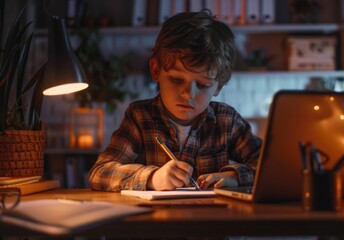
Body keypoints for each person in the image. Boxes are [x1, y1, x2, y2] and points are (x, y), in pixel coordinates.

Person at [88, 9, 262, 191]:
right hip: (156, 218)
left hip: (212, 217)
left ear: (219, 85)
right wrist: (152, 177)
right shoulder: (140, 117)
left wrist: (235, 176)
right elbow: (100, 172)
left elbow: (270, 165)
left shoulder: (227, 120)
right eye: (176, 80)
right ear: (156, 70)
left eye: (202, 85)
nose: (188, 94)